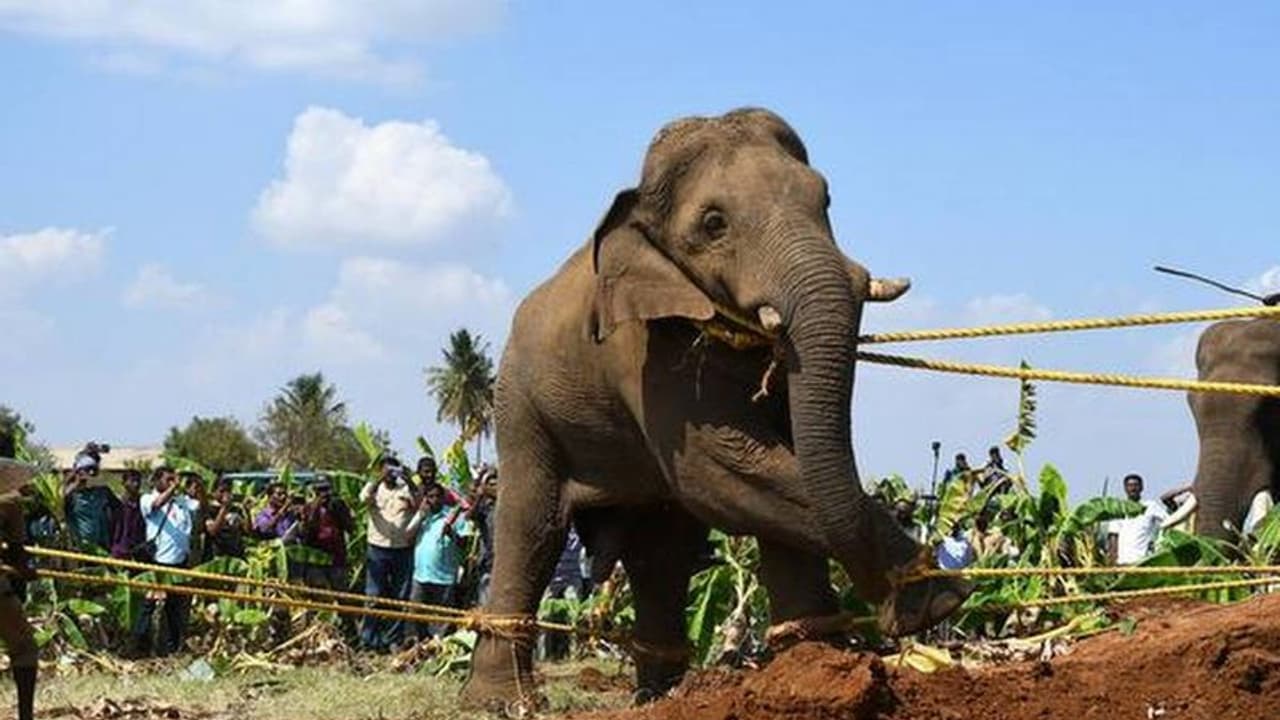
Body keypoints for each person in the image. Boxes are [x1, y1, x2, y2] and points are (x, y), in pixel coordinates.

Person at [131, 466, 201, 657]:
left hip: (180, 562)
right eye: (168, 479)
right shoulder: (147, 498)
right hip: (159, 562)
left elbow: (200, 504)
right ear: (157, 481)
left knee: (175, 609)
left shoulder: (182, 501)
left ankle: (173, 649)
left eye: (174, 479)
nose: (172, 482)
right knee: (149, 605)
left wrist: (197, 484)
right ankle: (138, 649)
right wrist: (174, 488)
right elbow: (157, 504)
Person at [359, 455, 417, 651]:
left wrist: (409, 479)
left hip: (402, 549)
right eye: (387, 469)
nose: (391, 473)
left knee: (400, 597)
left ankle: (393, 639)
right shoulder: (374, 489)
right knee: (373, 596)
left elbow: (420, 504)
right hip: (377, 548)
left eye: (394, 469)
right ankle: (368, 640)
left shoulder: (406, 489)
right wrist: (377, 480)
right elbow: (363, 498)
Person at [0, 432, 39, 720]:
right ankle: (25, 716)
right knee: (24, 646)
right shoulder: (10, 500)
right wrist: (27, 572)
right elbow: (17, 554)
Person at [407, 482, 471, 640]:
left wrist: (451, 534)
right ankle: (417, 645)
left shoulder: (454, 517)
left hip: (444, 575)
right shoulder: (422, 516)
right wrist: (421, 515)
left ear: (443, 498)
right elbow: (408, 538)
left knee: (443, 618)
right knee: (416, 613)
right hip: (421, 574)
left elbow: (464, 545)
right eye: (430, 497)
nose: (434, 500)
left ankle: (439, 646)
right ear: (426, 499)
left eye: (437, 496)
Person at [299, 476, 354, 589]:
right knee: (319, 590)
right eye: (320, 490)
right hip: (316, 557)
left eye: (326, 490)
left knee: (339, 588)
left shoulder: (337, 505)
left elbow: (350, 527)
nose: (323, 494)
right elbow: (306, 532)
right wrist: (315, 509)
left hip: (336, 556)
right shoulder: (308, 508)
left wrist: (340, 511)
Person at [1106, 473, 1168, 566]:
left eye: (1136, 485)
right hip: (1123, 562)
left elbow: (1169, 521)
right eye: (1129, 485)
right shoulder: (1119, 508)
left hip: (1143, 562)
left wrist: (1160, 542)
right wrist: (1113, 561)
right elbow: (1113, 536)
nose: (1133, 488)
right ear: (1125, 488)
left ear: (1141, 487)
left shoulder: (1150, 506)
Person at [62, 452, 119, 551]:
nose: (91, 473)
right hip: (80, 546)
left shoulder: (102, 492)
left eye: (94, 470)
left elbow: (119, 509)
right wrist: (77, 482)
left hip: (102, 545)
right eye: (88, 470)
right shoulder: (72, 495)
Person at [465, 466, 499, 606]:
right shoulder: (484, 507)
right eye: (490, 484)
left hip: (504, 560)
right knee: (485, 600)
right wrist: (479, 496)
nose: (492, 488)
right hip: (487, 560)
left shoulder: (507, 504)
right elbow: (469, 516)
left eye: (495, 484)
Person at [201, 477, 247, 562]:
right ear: (214, 492)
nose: (225, 494)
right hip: (216, 556)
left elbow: (247, 531)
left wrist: (247, 512)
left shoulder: (236, 509)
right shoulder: (209, 509)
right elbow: (212, 531)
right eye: (222, 491)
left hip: (236, 555)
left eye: (228, 491)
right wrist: (224, 508)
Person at [109, 469, 148, 560]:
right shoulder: (117, 503)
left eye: (138, 481)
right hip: (120, 549)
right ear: (124, 483)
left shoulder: (144, 502)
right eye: (133, 481)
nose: (136, 484)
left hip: (139, 549)